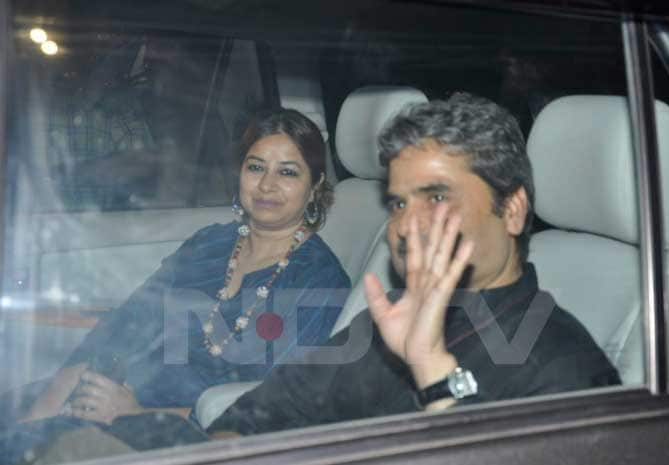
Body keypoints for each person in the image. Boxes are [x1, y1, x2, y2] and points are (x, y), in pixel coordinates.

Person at [14, 93, 620, 462]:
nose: (408, 225)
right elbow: (266, 409)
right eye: (400, 203)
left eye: (437, 197)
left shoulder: (569, 374)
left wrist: (433, 368)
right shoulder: (384, 327)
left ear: (511, 210)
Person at [0, 108, 350, 463]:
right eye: (255, 167)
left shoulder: (318, 282)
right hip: (117, 396)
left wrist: (133, 413)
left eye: (287, 172)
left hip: (193, 434)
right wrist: (47, 405)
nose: (266, 185)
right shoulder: (208, 245)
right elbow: (124, 323)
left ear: (315, 187)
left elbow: (272, 407)